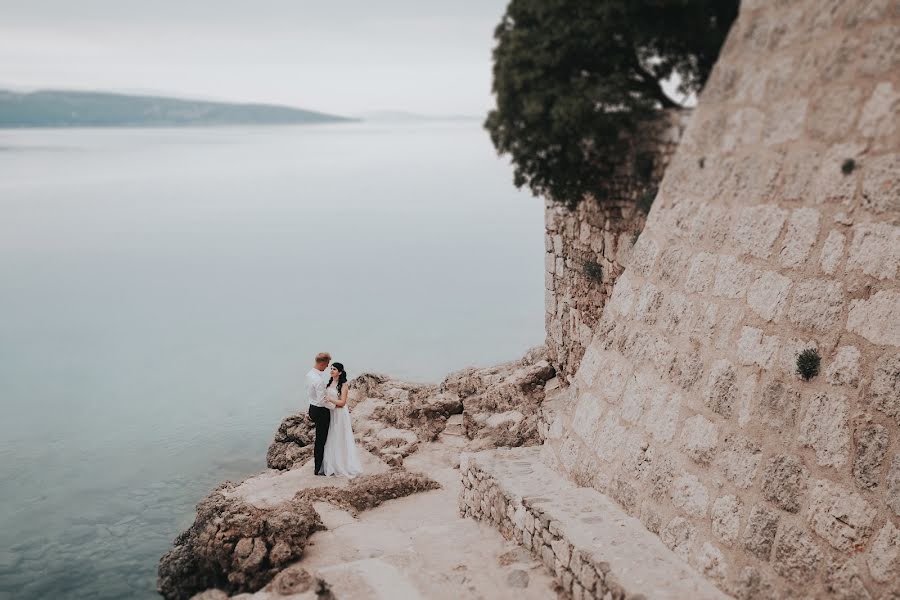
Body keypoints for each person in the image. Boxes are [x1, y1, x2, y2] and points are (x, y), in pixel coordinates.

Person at [320, 362, 362, 477]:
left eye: (334, 369)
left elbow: (343, 403)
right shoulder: (330, 383)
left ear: (340, 372)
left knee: (340, 436)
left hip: (340, 413)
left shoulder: (344, 384)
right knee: (332, 436)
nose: (332, 371)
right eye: (331, 369)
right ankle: (332, 464)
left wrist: (329, 399)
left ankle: (343, 464)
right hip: (331, 412)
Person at [306, 352, 331, 475]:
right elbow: (322, 401)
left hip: (312, 408)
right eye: (327, 364)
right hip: (321, 411)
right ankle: (319, 468)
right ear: (322, 363)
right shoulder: (319, 380)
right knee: (321, 440)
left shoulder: (309, 374)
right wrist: (335, 407)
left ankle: (319, 464)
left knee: (319, 438)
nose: (327, 367)